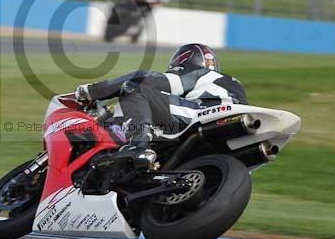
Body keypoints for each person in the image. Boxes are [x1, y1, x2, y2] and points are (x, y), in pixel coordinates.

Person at [74, 43, 248, 165]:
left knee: (136, 88)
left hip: (205, 113)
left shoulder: (195, 72)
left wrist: (92, 91)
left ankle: (137, 146)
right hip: (235, 132)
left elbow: (148, 80)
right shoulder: (228, 82)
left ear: (184, 60)